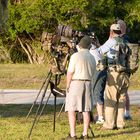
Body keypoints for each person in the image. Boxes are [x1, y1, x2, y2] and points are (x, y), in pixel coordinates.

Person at [98, 23, 129, 130]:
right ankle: (120, 124)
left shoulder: (111, 41)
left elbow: (99, 51)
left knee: (110, 99)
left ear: (111, 32)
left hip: (114, 73)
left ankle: (109, 124)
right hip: (125, 74)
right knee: (121, 98)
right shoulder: (125, 41)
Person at [64, 35, 96, 139]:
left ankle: (73, 134)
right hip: (88, 83)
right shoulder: (92, 57)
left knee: (71, 109)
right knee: (86, 110)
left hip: (76, 83)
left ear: (80, 45)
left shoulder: (75, 56)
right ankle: (85, 133)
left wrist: (67, 85)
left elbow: (70, 72)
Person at [117, 19, 132, 120]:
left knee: (122, 92)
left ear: (121, 28)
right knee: (124, 91)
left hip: (122, 68)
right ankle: (126, 113)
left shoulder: (123, 39)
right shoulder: (127, 39)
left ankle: (124, 113)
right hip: (126, 68)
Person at [90, 44, 107, 124]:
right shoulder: (95, 49)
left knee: (97, 94)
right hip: (102, 70)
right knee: (99, 94)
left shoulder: (88, 50)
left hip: (98, 71)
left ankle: (101, 118)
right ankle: (101, 116)